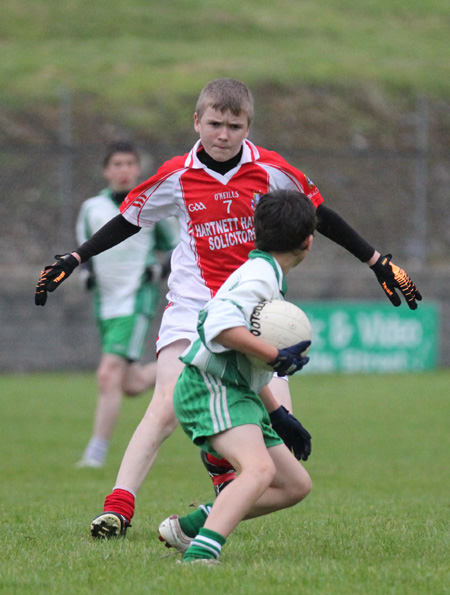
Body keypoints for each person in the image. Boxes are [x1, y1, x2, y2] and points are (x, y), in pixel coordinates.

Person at [34, 78, 421, 539]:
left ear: (248, 126)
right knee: (165, 404)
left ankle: (204, 506)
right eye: (214, 123)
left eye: (234, 126)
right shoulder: (177, 175)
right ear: (196, 121)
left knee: (272, 435)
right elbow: (128, 221)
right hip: (192, 305)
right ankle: (118, 507)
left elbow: (318, 214)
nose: (223, 134)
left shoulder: (272, 169)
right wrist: (76, 257)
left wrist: (377, 261)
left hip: (258, 310)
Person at [158, 189, 315, 563]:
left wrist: (278, 414)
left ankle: (194, 525)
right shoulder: (260, 277)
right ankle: (200, 555)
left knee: (295, 485)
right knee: (258, 471)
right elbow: (216, 325)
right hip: (211, 387)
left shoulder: (264, 274)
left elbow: (244, 356)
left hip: (237, 390)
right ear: (309, 241)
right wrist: (275, 355)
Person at [75, 141, 177, 468]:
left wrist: (159, 270)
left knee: (107, 374)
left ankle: (96, 453)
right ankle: (186, 370)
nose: (124, 170)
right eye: (117, 164)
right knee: (129, 383)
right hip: (105, 303)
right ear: (106, 170)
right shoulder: (91, 208)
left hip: (136, 299)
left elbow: (177, 248)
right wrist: (86, 273)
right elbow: (85, 249)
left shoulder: (147, 206)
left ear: (138, 169)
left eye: (130, 163)